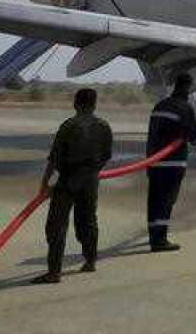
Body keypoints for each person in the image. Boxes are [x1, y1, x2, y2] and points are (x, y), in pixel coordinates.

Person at [32, 88, 114, 284]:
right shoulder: (104, 126)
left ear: (75, 104)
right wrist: (92, 172)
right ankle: (90, 260)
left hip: (68, 181)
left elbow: (54, 159)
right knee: (87, 221)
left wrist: (45, 183)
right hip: (90, 181)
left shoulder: (69, 126)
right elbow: (107, 155)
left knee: (56, 226)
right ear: (94, 105)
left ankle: (54, 272)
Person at [146, 72, 196, 252]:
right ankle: (159, 241)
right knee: (166, 202)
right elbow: (194, 138)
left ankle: (153, 236)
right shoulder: (184, 108)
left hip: (154, 162)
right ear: (187, 88)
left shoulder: (160, 105)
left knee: (154, 201)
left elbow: (153, 134)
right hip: (173, 164)